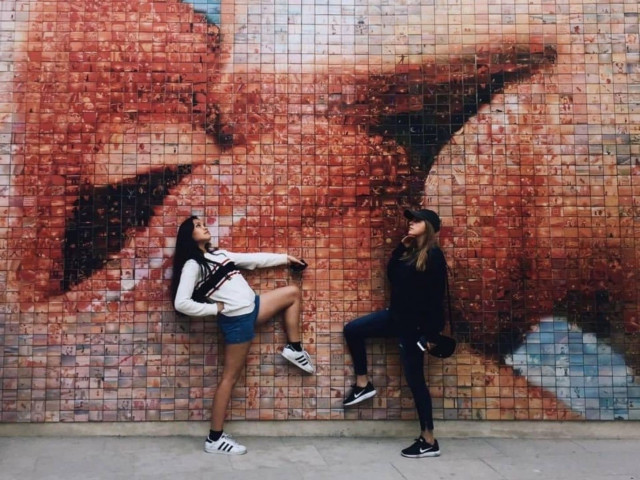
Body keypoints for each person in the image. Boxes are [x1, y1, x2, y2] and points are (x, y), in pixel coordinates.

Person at [171, 215, 314, 455]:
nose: (204, 226)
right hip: (237, 321)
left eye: (203, 223)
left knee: (292, 293)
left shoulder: (219, 255)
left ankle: (294, 348)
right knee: (229, 378)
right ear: (189, 236)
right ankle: (214, 439)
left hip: (254, 307)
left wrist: (285, 259)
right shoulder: (193, 265)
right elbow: (181, 303)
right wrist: (214, 309)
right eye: (197, 226)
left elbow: (253, 260)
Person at [343, 208, 447, 458]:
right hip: (395, 318)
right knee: (353, 330)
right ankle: (363, 383)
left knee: (415, 382)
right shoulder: (410, 253)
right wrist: (401, 248)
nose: (411, 223)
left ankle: (429, 440)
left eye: (417, 220)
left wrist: (431, 335)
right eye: (411, 220)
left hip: (414, 328)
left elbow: (436, 299)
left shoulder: (434, 257)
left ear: (429, 226)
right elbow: (392, 276)